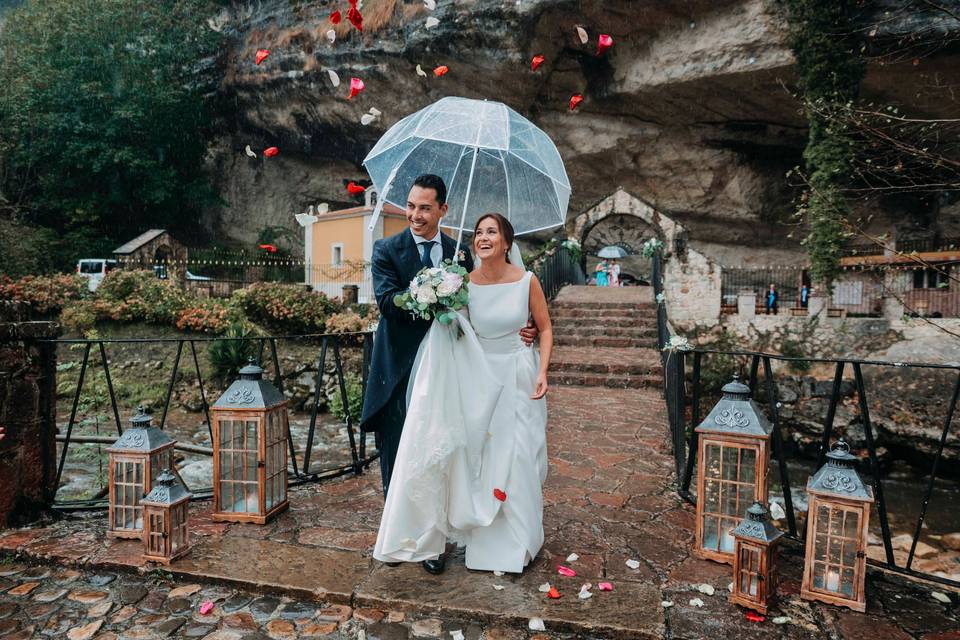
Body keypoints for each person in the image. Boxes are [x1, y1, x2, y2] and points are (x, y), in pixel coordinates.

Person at [361, 175, 536, 575]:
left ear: (443, 210)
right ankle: (403, 535)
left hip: (449, 366)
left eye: (425, 207)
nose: (415, 215)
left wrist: (522, 327)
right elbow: (388, 303)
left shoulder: (460, 251)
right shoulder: (387, 249)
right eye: (410, 206)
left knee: (441, 448)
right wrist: (429, 296)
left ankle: (434, 542)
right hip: (400, 369)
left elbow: (487, 295)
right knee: (399, 451)